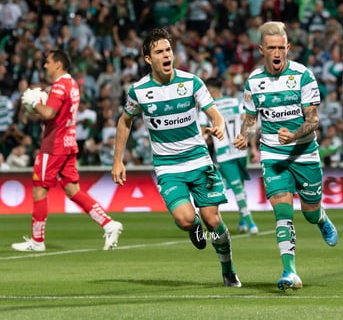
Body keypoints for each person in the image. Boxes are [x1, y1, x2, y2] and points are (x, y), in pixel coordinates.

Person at [111, 28, 241, 288]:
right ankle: (193, 228)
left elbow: (214, 113)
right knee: (185, 219)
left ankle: (228, 269)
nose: (166, 55)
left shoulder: (191, 82)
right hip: (168, 167)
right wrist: (118, 160)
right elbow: (124, 122)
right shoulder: (139, 91)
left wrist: (218, 125)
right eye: (159, 51)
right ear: (149, 59)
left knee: (213, 220)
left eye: (168, 49)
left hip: (199, 161)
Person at [233, 21, 338, 291]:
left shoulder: (303, 76)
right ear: (261, 50)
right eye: (271, 48)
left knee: (310, 212)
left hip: (304, 153)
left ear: (288, 47)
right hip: (273, 156)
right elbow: (250, 118)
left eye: (281, 47)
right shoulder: (253, 82)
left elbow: (313, 120)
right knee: (282, 212)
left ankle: (322, 219)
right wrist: (245, 135)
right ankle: (289, 271)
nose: (277, 53)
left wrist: (294, 135)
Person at [12, 50, 123, 252]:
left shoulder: (60, 85)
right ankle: (108, 224)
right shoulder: (72, 84)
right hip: (68, 143)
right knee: (72, 190)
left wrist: (34, 103)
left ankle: (37, 241)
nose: (45, 66)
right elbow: (57, 114)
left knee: (39, 188)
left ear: (58, 65)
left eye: (47, 62)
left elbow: (49, 112)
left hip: (54, 145)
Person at [200, 76, 258, 235]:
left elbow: (202, 132)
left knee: (237, 186)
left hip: (224, 152)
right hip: (240, 149)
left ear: (210, 90)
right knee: (239, 186)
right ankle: (245, 221)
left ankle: (250, 223)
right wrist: (253, 147)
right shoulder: (234, 102)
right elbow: (248, 122)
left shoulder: (207, 109)